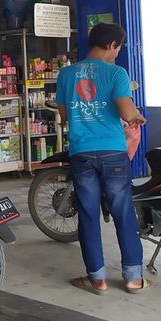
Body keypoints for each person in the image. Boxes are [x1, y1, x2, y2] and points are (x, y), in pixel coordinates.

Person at [56, 22, 148, 295]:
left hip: (81, 152)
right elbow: (127, 111)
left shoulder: (66, 74)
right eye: (117, 48)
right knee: (122, 211)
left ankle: (97, 280)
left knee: (87, 214)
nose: (117, 53)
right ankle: (133, 278)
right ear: (111, 45)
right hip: (112, 151)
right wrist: (136, 117)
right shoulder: (116, 73)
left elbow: (64, 116)